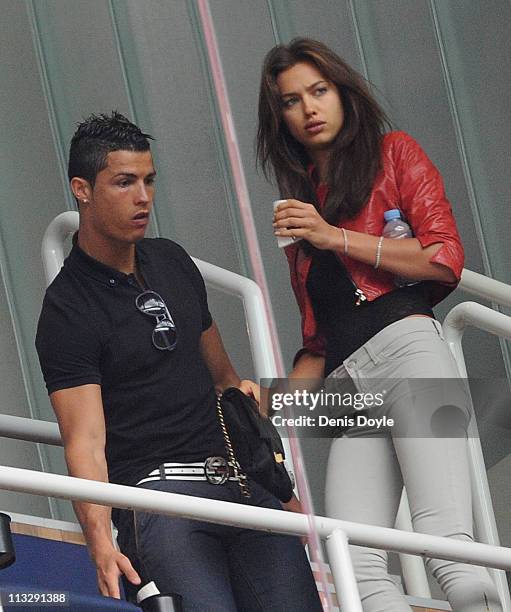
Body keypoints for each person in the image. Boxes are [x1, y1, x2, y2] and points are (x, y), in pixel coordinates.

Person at [36, 111, 322, 612]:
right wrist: (100, 541)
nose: (143, 197)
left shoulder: (171, 260)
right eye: (124, 182)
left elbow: (227, 384)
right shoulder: (67, 309)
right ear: (81, 189)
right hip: (159, 500)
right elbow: (85, 440)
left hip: (242, 486)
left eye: (148, 181)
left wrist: (279, 486)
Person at [257, 38, 502, 611]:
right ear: (280, 120)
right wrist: (265, 411)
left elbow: (444, 256)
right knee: (356, 568)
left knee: (449, 548)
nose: (310, 108)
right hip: (350, 384)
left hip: (411, 349)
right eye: (292, 101)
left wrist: (332, 236)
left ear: (343, 93)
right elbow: (317, 341)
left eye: (319, 91)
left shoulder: (393, 154)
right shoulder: (301, 209)